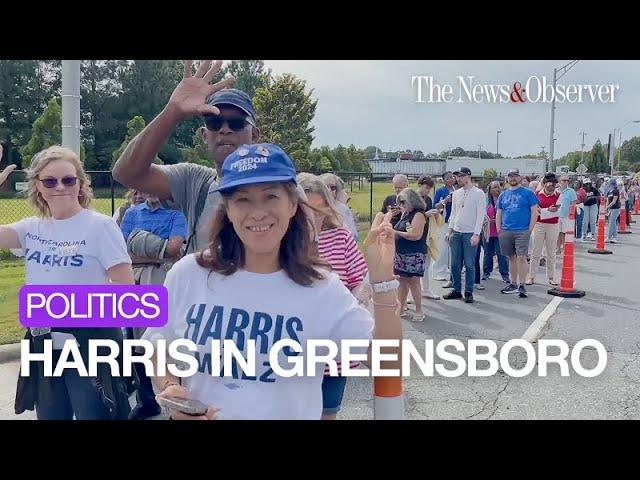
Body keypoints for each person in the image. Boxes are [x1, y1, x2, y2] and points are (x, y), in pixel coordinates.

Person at [141, 143, 402, 420]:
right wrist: (170, 388)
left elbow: (387, 360)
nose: (258, 212)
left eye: (270, 197)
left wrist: (383, 278)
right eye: (243, 199)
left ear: (292, 205)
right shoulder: (189, 274)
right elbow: (156, 343)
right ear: (227, 209)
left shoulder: (322, 289)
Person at [0, 146, 134, 420]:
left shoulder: (100, 226)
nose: (60, 187)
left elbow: (125, 290)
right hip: (45, 346)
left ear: (81, 183)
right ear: (37, 186)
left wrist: (62, 308)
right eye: (50, 181)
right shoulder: (32, 228)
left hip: (89, 345)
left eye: (68, 180)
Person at [112, 60, 257, 254]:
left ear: (255, 135)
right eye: (214, 122)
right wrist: (173, 111)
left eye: (236, 123)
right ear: (205, 135)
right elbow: (126, 173)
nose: (225, 129)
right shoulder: (196, 182)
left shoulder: (279, 185)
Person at [297, 173, 368, 420]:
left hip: (334, 355)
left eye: (319, 209)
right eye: (305, 209)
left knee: (328, 412)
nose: (312, 217)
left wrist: (355, 299)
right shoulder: (283, 242)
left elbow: (360, 281)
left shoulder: (341, 237)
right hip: (295, 355)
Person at [119, 192, 188, 419]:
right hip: (136, 280)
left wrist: (139, 241)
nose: (147, 190)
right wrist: (159, 249)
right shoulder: (131, 212)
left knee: (164, 343)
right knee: (137, 343)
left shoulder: (177, 213)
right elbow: (121, 251)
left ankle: (177, 400)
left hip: (163, 279)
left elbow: (175, 249)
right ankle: (146, 401)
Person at [442, 168, 486, 304]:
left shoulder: (478, 193)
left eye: (461, 176)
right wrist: (449, 230)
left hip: (470, 232)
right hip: (456, 231)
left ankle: (468, 291)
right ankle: (456, 289)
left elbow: (480, 215)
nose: (458, 179)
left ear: (469, 176)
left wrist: (476, 234)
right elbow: (453, 213)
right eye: (457, 176)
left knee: (470, 264)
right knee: (455, 263)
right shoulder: (456, 193)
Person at [496, 168, 539, 298]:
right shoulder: (503, 194)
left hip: (522, 230)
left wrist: (530, 229)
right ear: (507, 178)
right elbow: (499, 212)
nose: (513, 178)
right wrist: (499, 229)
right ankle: (513, 283)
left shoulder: (528, 193)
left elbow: (534, 211)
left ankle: (522, 285)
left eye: (515, 176)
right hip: (506, 230)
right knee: (511, 257)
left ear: (520, 178)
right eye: (510, 176)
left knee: (521, 257)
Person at [392, 188, 429, 321]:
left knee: (414, 281)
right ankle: (401, 307)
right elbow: (406, 228)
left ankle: (419, 310)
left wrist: (396, 233)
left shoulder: (419, 214)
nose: (401, 205)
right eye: (399, 202)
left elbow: (415, 235)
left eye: (403, 201)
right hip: (402, 253)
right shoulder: (406, 214)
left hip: (414, 253)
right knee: (402, 281)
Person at [527, 173, 560, 285]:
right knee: (536, 251)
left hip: (553, 225)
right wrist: (548, 211)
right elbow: (536, 209)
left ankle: (551, 277)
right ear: (544, 184)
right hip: (539, 224)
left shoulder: (559, 196)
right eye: (549, 184)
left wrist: (544, 211)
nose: (551, 186)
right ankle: (531, 277)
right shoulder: (537, 194)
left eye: (553, 184)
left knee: (551, 252)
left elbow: (559, 211)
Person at [416, 175, 442, 300]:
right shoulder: (412, 198)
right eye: (426, 187)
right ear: (419, 185)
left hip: (426, 234)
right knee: (415, 264)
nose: (427, 190)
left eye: (429, 188)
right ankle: (415, 291)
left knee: (427, 263)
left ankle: (425, 289)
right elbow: (409, 217)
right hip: (415, 234)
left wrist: (435, 213)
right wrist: (425, 214)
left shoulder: (428, 199)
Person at [482, 181, 510, 284]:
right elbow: (482, 213)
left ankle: (505, 274)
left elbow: (508, 213)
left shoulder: (505, 199)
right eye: (493, 187)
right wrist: (488, 220)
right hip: (488, 232)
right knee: (487, 253)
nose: (496, 189)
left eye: (498, 187)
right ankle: (486, 272)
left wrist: (499, 220)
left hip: (500, 231)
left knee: (502, 254)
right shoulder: (485, 201)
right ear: (489, 189)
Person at [320, 173, 360, 241]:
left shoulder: (342, 208)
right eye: (325, 187)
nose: (329, 190)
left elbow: (354, 236)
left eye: (332, 188)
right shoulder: (314, 208)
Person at [432, 172, 456, 280]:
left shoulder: (457, 190)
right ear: (444, 180)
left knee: (452, 248)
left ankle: (450, 269)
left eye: (452, 177)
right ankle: (438, 270)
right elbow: (435, 206)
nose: (450, 179)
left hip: (455, 222)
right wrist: (446, 200)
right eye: (448, 178)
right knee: (442, 247)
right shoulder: (440, 191)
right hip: (444, 222)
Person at [556, 174, 578, 255]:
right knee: (558, 232)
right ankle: (558, 248)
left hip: (566, 215)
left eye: (567, 180)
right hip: (557, 215)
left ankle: (565, 248)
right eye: (564, 180)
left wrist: (571, 213)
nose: (566, 182)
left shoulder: (571, 191)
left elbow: (574, 203)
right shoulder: (556, 191)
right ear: (559, 181)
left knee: (564, 232)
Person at [606, 178, 621, 243]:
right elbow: (608, 200)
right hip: (610, 208)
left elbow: (614, 201)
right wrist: (607, 207)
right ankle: (614, 237)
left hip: (616, 208)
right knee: (613, 223)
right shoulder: (609, 191)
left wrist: (607, 207)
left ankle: (609, 237)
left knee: (612, 222)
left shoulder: (615, 191)